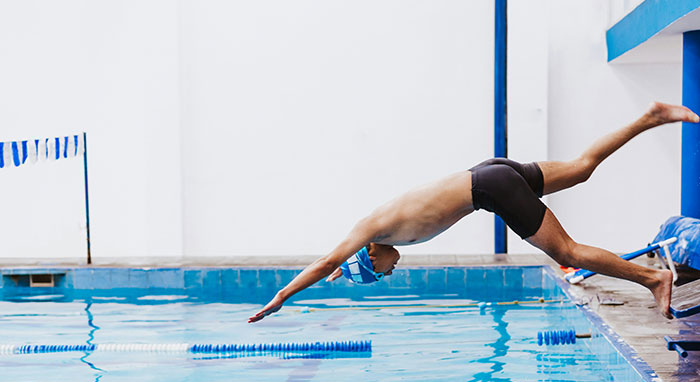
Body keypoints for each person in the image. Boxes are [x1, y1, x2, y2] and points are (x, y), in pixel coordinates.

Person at [249, 102, 699, 323]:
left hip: (490, 186)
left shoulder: (371, 227)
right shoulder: (378, 234)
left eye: (379, 273)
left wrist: (283, 297)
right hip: (488, 172)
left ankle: (653, 279)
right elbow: (338, 267)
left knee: (569, 252)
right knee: (581, 169)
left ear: (370, 253)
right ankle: (652, 117)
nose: (388, 274)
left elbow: (329, 260)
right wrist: (341, 275)